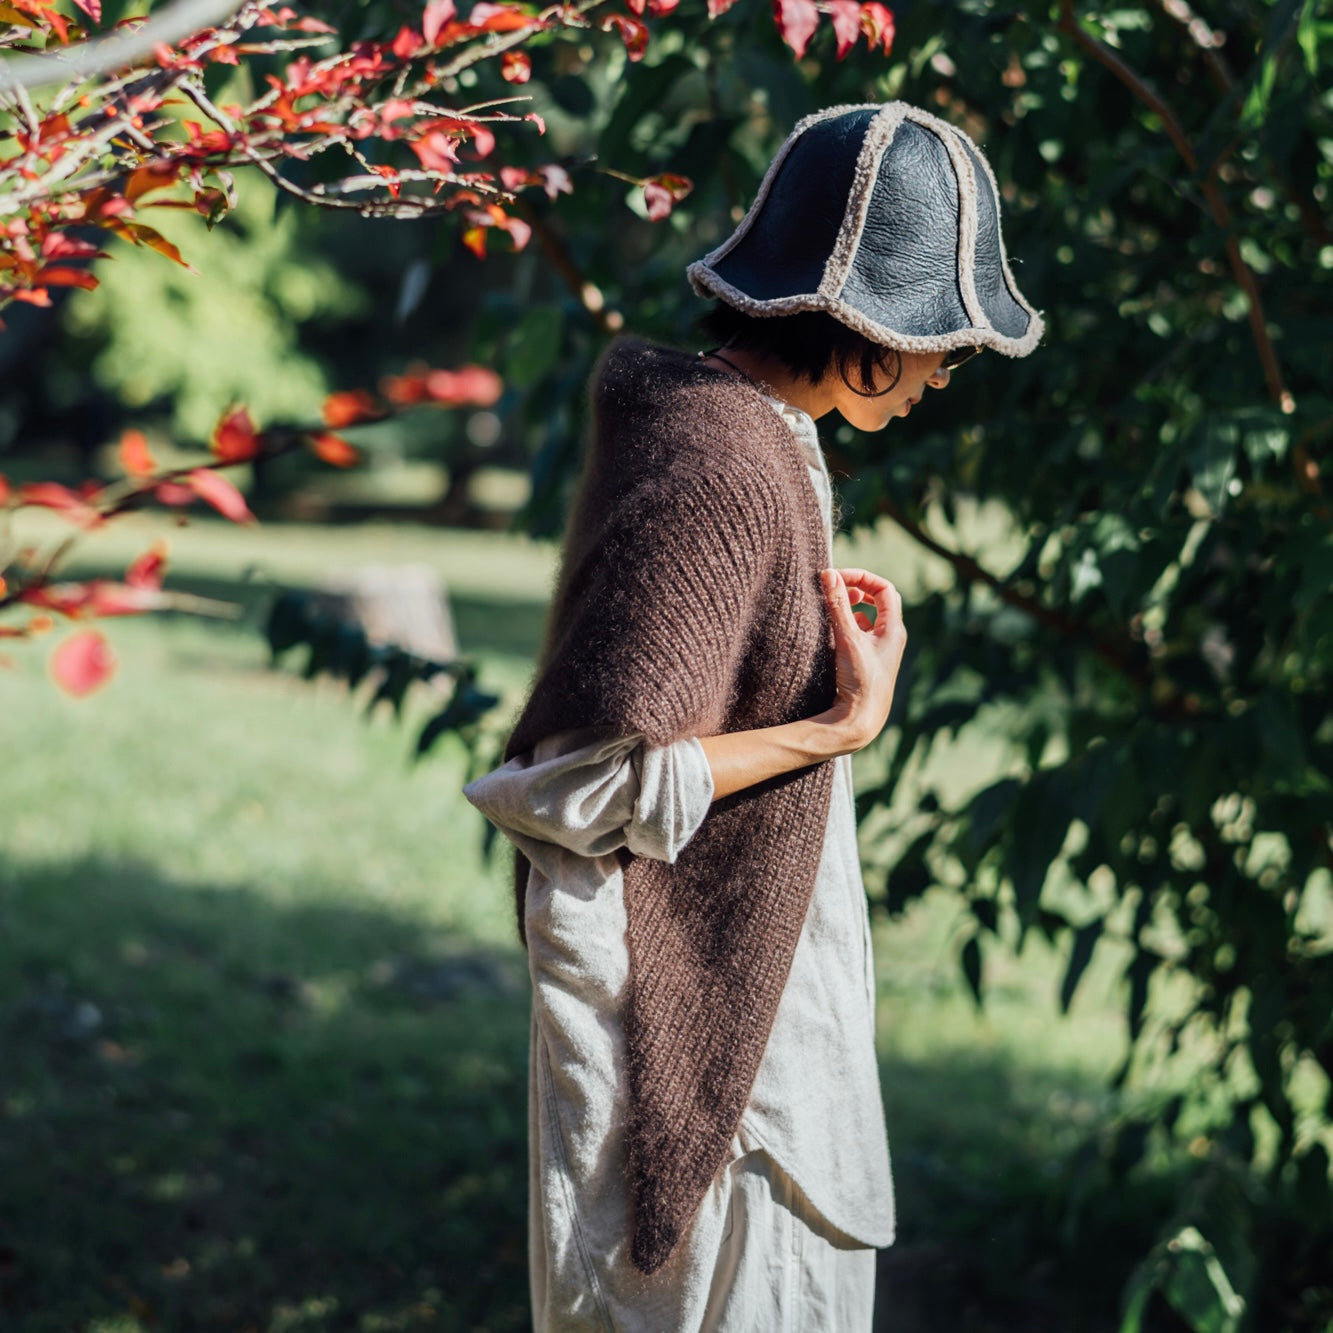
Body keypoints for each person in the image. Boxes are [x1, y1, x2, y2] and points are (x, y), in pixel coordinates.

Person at [464, 100, 1043, 1330]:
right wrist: (835, 726)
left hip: (768, 1054)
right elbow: (570, 788)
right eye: (942, 337)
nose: (947, 370)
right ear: (869, 325)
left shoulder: (755, 439)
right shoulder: (720, 459)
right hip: (721, 1093)